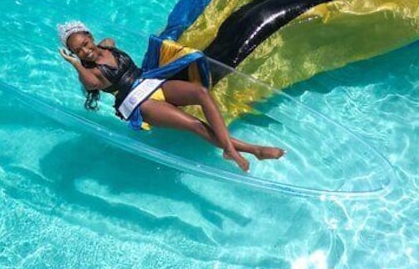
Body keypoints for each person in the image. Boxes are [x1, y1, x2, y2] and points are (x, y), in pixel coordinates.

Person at [57, 21, 284, 172]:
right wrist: (75, 64)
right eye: (78, 51)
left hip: (151, 83)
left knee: (201, 92)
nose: (85, 51)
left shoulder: (107, 46)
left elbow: (109, 41)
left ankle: (230, 148)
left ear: (90, 36)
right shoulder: (90, 73)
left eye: (85, 44)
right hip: (140, 103)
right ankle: (247, 149)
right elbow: (90, 83)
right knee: (194, 125)